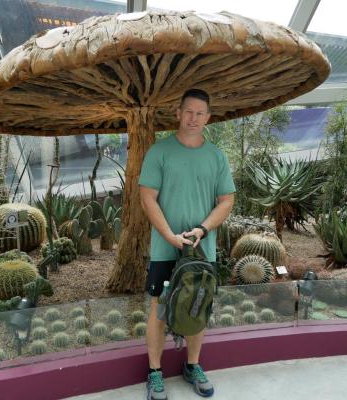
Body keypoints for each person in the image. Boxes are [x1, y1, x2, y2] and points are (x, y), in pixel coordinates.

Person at [138, 88, 235, 399]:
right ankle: (155, 372)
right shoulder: (159, 152)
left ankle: (192, 365)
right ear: (178, 113)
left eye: (200, 113)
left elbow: (226, 201)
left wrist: (203, 230)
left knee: (198, 304)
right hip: (165, 248)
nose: (194, 118)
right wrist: (170, 236)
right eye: (189, 112)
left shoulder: (216, 156)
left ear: (208, 117)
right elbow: (147, 198)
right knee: (159, 307)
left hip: (201, 250)